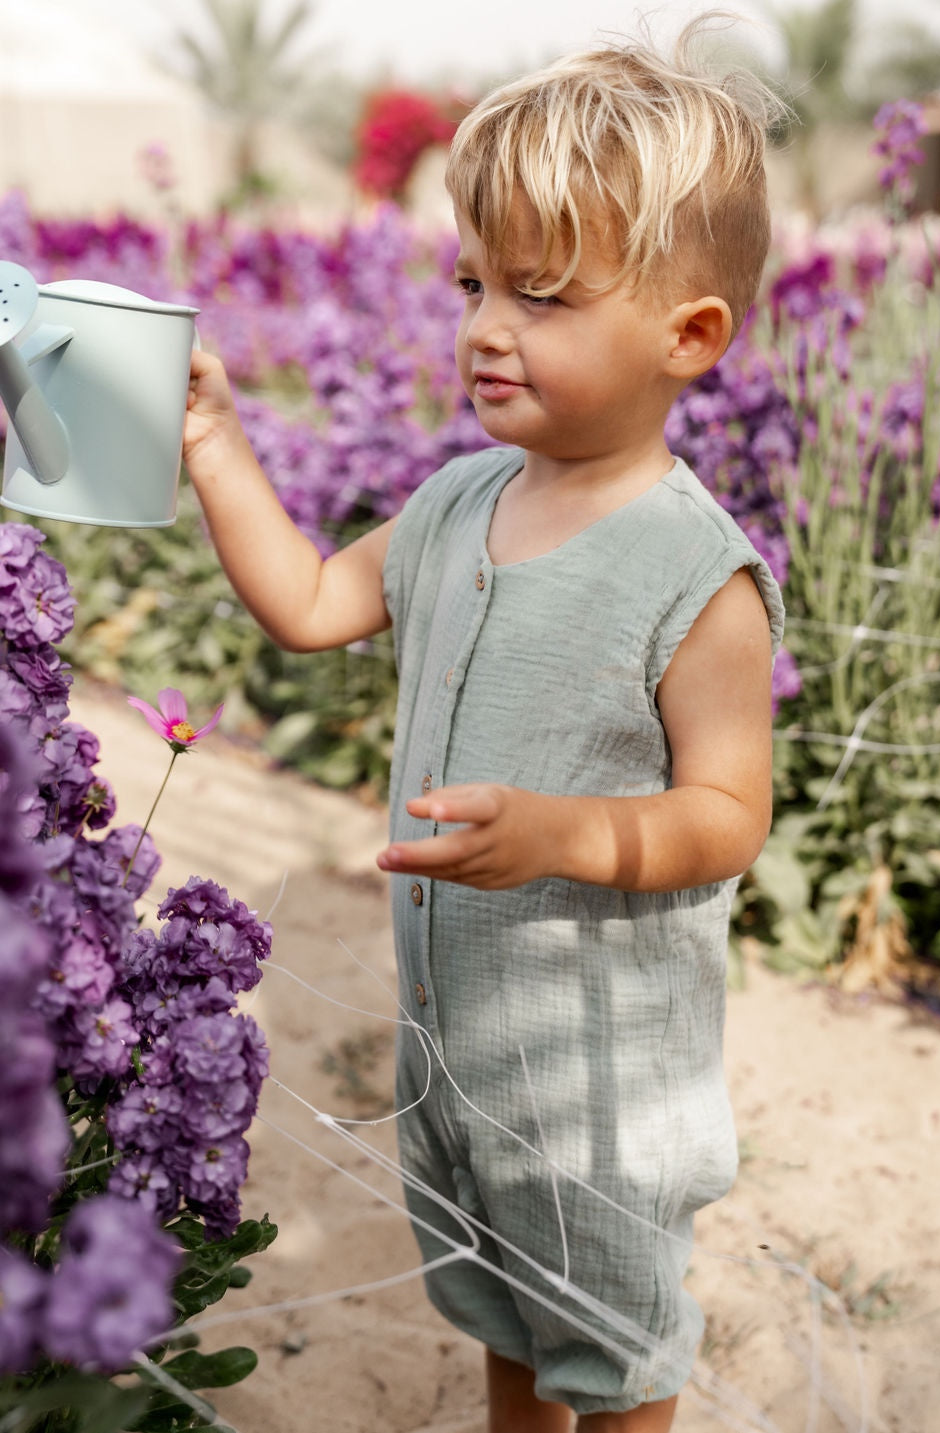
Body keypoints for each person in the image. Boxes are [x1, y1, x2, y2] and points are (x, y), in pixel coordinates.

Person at [182, 21, 784, 1432]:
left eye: (546, 294)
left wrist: (567, 831)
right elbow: (317, 600)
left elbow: (728, 813)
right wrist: (215, 445)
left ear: (690, 334)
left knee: (617, 1356)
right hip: (455, 1049)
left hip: (595, 1078)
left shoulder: (698, 578)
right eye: (472, 282)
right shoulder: (461, 500)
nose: (486, 325)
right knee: (503, 1318)